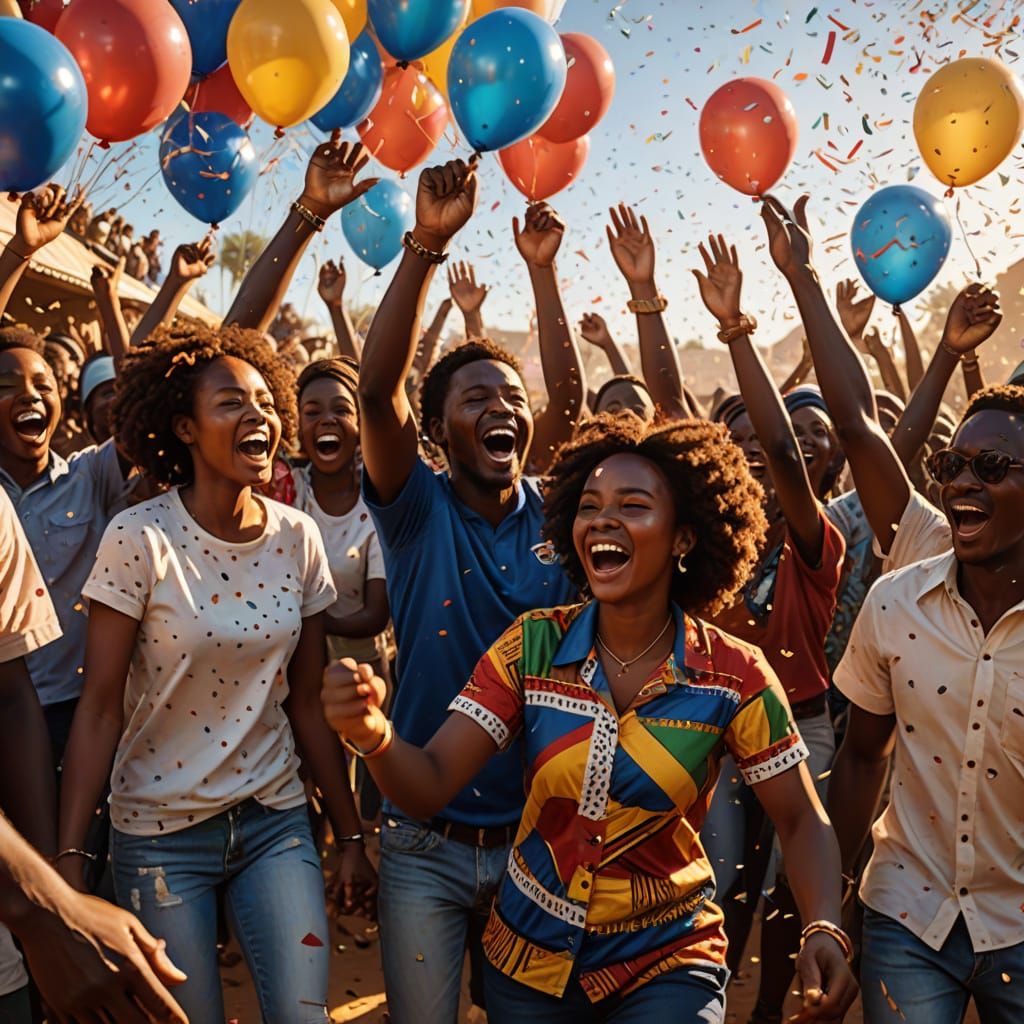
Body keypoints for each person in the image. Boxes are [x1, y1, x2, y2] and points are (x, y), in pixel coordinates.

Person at [323, 414, 858, 1024]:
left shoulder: (736, 674)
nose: (603, 519)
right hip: (528, 965)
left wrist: (823, 926)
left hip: (668, 958)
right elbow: (431, 781)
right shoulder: (531, 647)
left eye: (633, 505)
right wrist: (375, 736)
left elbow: (800, 816)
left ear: (684, 538)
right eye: (589, 505)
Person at [56, 324, 375, 1022]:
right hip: (159, 835)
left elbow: (308, 705)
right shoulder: (137, 538)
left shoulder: (299, 538)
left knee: (302, 1015)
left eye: (265, 400)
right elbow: (100, 709)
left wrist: (350, 836)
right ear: (184, 428)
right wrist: (71, 861)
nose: (257, 414)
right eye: (231, 402)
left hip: (275, 821)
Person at [355, 156, 579, 1023]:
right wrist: (426, 245)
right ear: (438, 426)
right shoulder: (416, 511)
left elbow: (567, 393)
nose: (503, 407)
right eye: (476, 396)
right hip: (424, 841)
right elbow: (376, 390)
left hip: (542, 835)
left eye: (510, 397)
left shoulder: (562, 521)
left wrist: (544, 272)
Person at [692, 235, 846, 1022]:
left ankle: (774, 1012)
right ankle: (705, 1003)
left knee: (795, 883)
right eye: (742, 446)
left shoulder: (819, 541)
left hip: (804, 728)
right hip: (719, 728)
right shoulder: (708, 541)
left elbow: (783, 444)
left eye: (781, 449)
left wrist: (736, 328)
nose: (766, 454)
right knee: (720, 882)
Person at [292, 357, 390, 676]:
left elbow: (375, 614)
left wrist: (311, 623)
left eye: (342, 410)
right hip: (294, 671)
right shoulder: (288, 494)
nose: (327, 420)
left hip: (362, 672)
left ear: (361, 425)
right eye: (312, 412)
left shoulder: (376, 507)